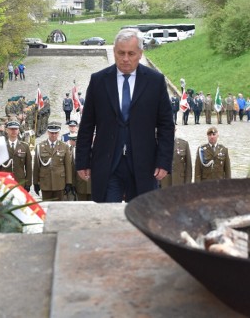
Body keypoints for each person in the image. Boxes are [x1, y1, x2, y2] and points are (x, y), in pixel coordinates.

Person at [75, 29, 174, 203]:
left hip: (144, 164)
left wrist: (164, 161)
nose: (125, 59)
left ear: (140, 54)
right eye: (121, 53)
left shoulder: (155, 81)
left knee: (141, 218)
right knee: (107, 218)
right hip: (107, 163)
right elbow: (87, 124)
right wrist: (82, 160)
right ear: (114, 52)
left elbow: (166, 125)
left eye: (131, 53)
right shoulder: (99, 81)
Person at [33, 122, 73, 201]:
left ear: (58, 133)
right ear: (48, 132)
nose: (53, 135)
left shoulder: (64, 146)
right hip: (45, 183)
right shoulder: (40, 147)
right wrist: (35, 182)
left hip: (60, 183)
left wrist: (69, 182)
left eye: (56, 133)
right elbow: (36, 166)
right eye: (51, 133)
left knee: (59, 208)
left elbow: (68, 166)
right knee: (46, 207)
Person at [0, 121, 33, 192]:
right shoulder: (1, 146)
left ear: (18, 130)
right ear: (7, 130)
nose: (13, 131)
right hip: (5, 183)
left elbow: (28, 167)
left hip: (20, 182)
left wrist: (28, 184)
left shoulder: (24, 146)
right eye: (11, 129)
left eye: (15, 129)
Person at [68, 133, 91, 201]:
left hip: (92, 185)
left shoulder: (92, 150)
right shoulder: (69, 150)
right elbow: (72, 170)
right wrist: (73, 185)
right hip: (79, 185)